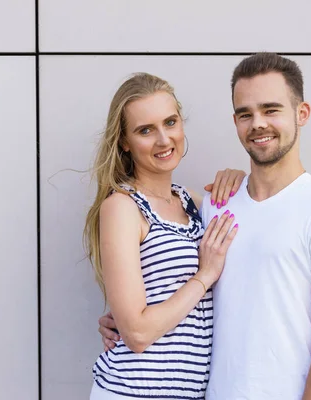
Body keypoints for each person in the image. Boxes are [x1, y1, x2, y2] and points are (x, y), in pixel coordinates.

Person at [99, 53, 311, 400]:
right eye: (245, 114)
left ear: (302, 114)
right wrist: (119, 314)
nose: (258, 124)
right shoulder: (216, 204)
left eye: (271, 110)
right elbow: (155, 287)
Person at [84, 72, 246, 399]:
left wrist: (240, 181)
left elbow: (252, 218)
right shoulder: (122, 208)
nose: (163, 139)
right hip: (135, 392)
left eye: (170, 122)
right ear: (125, 142)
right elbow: (138, 333)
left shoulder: (194, 203)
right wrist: (204, 276)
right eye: (146, 130)